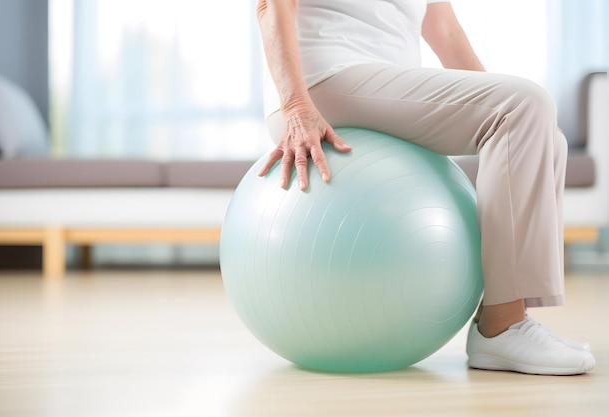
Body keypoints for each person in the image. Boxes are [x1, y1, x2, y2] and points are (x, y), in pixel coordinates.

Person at [255, 0, 595, 375]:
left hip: (379, 83)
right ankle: (503, 327)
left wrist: (531, 128)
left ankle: (509, 318)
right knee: (527, 107)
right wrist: (294, 105)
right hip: (319, 84)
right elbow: (272, 6)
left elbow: (445, 30)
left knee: (542, 129)